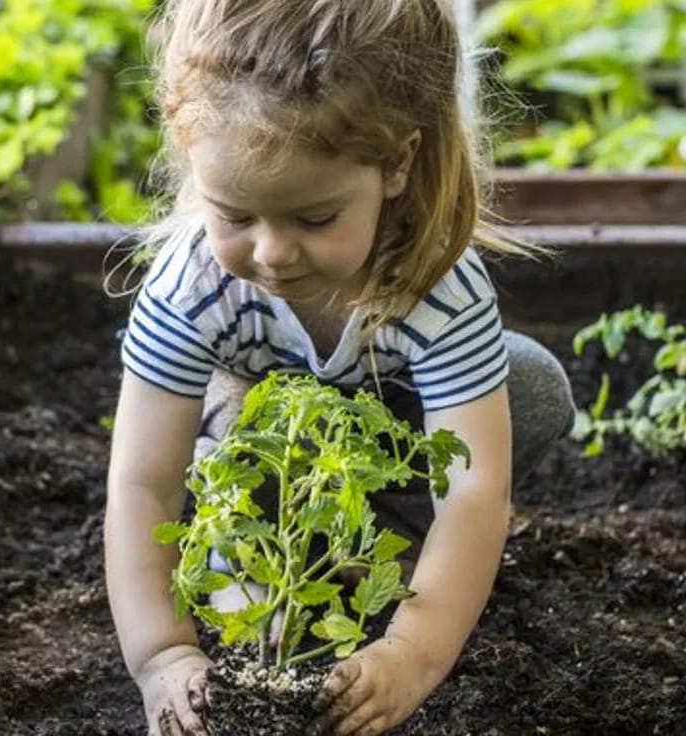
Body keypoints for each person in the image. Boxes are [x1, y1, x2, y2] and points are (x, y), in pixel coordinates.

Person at [104, 1, 574, 734]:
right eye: (234, 216)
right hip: (260, 456)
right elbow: (143, 481)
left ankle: (379, 561)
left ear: (397, 164)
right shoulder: (190, 284)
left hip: (388, 449)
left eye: (314, 219)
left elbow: (475, 489)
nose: (271, 254)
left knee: (531, 387)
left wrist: (413, 654)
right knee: (228, 445)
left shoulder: (437, 286)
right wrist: (161, 654)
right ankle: (250, 560)